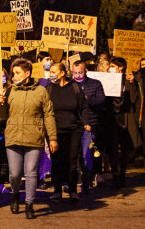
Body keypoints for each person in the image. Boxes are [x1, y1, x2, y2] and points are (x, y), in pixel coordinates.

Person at [0, 58, 58, 219]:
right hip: (13, 137)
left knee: (31, 173)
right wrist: (0, 104)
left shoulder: (41, 92)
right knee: (15, 173)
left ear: (28, 73)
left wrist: (52, 137)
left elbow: (49, 116)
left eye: (18, 73)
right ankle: (16, 194)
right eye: (13, 73)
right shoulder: (9, 91)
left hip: (34, 138)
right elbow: (2, 117)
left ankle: (29, 203)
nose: (14, 76)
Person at [47, 62, 89, 203]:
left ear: (62, 73)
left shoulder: (75, 87)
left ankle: (72, 191)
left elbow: (83, 107)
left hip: (73, 130)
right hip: (55, 131)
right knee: (57, 161)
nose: (51, 74)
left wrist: (86, 122)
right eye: (50, 71)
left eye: (54, 71)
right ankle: (57, 190)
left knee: (72, 161)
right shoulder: (49, 89)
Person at [72, 60, 105, 194]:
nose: (78, 75)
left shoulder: (95, 84)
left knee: (87, 155)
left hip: (89, 125)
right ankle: (72, 182)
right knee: (73, 156)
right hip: (73, 124)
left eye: (80, 72)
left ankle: (86, 183)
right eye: (75, 73)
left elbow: (100, 101)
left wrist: (86, 98)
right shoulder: (69, 84)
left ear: (85, 70)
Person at [104, 57, 137, 188]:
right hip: (111, 117)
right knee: (112, 148)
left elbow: (134, 99)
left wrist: (133, 83)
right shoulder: (107, 79)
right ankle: (115, 174)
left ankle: (122, 172)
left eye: (112, 66)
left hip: (124, 117)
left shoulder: (128, 81)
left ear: (120, 68)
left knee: (125, 148)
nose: (110, 68)